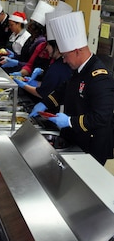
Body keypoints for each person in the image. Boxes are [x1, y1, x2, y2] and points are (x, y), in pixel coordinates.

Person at [30, 11, 114, 165]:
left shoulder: (99, 77)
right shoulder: (79, 69)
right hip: (76, 137)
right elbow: (64, 89)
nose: (63, 60)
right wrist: (45, 104)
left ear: (76, 52)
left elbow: (102, 117)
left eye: (65, 55)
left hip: (92, 145)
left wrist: (70, 122)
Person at [0, 0, 54, 72]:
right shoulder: (31, 38)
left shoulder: (40, 41)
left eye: (31, 22)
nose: (28, 25)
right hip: (22, 69)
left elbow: (32, 64)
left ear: (37, 26)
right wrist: (14, 56)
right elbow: (24, 57)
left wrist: (17, 62)